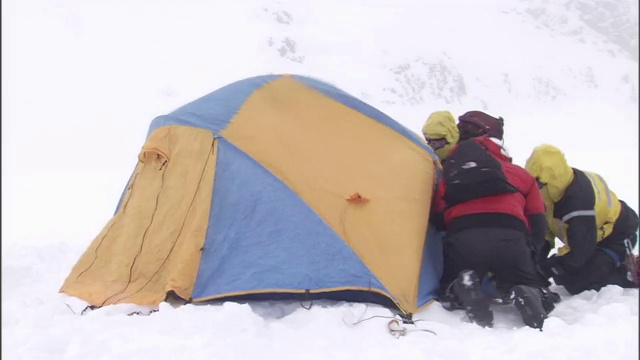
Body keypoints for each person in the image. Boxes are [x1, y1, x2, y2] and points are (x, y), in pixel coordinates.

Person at [431, 135, 558, 329]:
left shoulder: (452, 174)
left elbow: (439, 217)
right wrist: (531, 251)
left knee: (449, 286)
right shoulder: (521, 174)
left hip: (464, 235)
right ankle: (530, 291)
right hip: (511, 234)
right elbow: (538, 219)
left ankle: (461, 286)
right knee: (530, 282)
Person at [524, 144, 640, 294]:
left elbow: (579, 253)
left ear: (550, 179)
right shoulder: (548, 192)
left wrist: (544, 269)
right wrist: (532, 260)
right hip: (589, 237)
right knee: (563, 273)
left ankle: (629, 272)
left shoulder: (578, 201)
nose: (533, 188)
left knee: (578, 282)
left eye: (536, 183)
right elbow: (544, 232)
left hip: (617, 236)